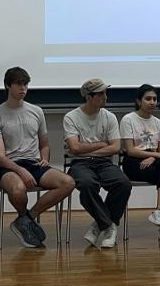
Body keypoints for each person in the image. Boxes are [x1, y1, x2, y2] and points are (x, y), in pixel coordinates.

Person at [0, 67, 75, 248]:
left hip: (34, 162)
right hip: (7, 166)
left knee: (68, 183)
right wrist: (20, 171)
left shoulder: (36, 111)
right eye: (19, 84)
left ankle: (26, 219)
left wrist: (45, 158)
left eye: (25, 84)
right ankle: (24, 218)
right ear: (8, 85)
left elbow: (45, 144)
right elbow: (0, 156)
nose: (23, 88)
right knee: (18, 189)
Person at [64, 78, 132, 248]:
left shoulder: (109, 117)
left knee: (123, 183)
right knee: (87, 184)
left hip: (104, 162)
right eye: (101, 94)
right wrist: (102, 144)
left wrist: (86, 150)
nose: (105, 97)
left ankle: (99, 224)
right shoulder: (71, 117)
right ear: (89, 97)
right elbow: (74, 148)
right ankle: (109, 226)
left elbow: (115, 147)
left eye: (105, 93)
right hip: (79, 163)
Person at [120, 84, 160, 243]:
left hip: (154, 161)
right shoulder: (128, 119)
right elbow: (130, 150)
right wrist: (155, 155)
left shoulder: (158, 123)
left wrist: (153, 157)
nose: (152, 102)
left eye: (154, 99)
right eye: (148, 99)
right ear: (139, 101)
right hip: (133, 162)